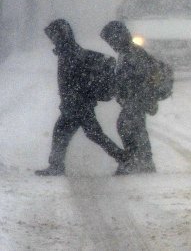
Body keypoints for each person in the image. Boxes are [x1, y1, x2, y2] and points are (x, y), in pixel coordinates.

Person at [35, 19, 125, 176]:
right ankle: (124, 158)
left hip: (77, 105)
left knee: (68, 133)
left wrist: (73, 100)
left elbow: (74, 82)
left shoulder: (70, 54)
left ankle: (124, 159)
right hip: (78, 104)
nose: (51, 40)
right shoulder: (70, 52)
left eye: (53, 36)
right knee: (91, 134)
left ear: (60, 36)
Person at [100, 20, 156, 175]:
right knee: (132, 128)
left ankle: (136, 161)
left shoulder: (132, 53)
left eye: (111, 40)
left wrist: (125, 89)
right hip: (133, 98)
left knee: (128, 127)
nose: (111, 45)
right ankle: (142, 161)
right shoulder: (127, 52)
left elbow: (137, 77)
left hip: (136, 98)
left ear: (119, 37)